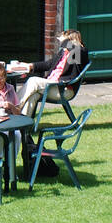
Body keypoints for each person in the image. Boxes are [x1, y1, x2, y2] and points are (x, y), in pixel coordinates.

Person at [17, 29, 89, 175]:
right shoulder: (65, 52)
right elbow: (49, 64)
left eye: (61, 39)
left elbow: (72, 73)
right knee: (33, 96)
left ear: (69, 38)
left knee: (33, 81)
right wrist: (30, 66)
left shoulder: (77, 51)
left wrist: (66, 42)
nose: (59, 42)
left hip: (63, 89)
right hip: (53, 85)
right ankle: (22, 123)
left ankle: (14, 106)